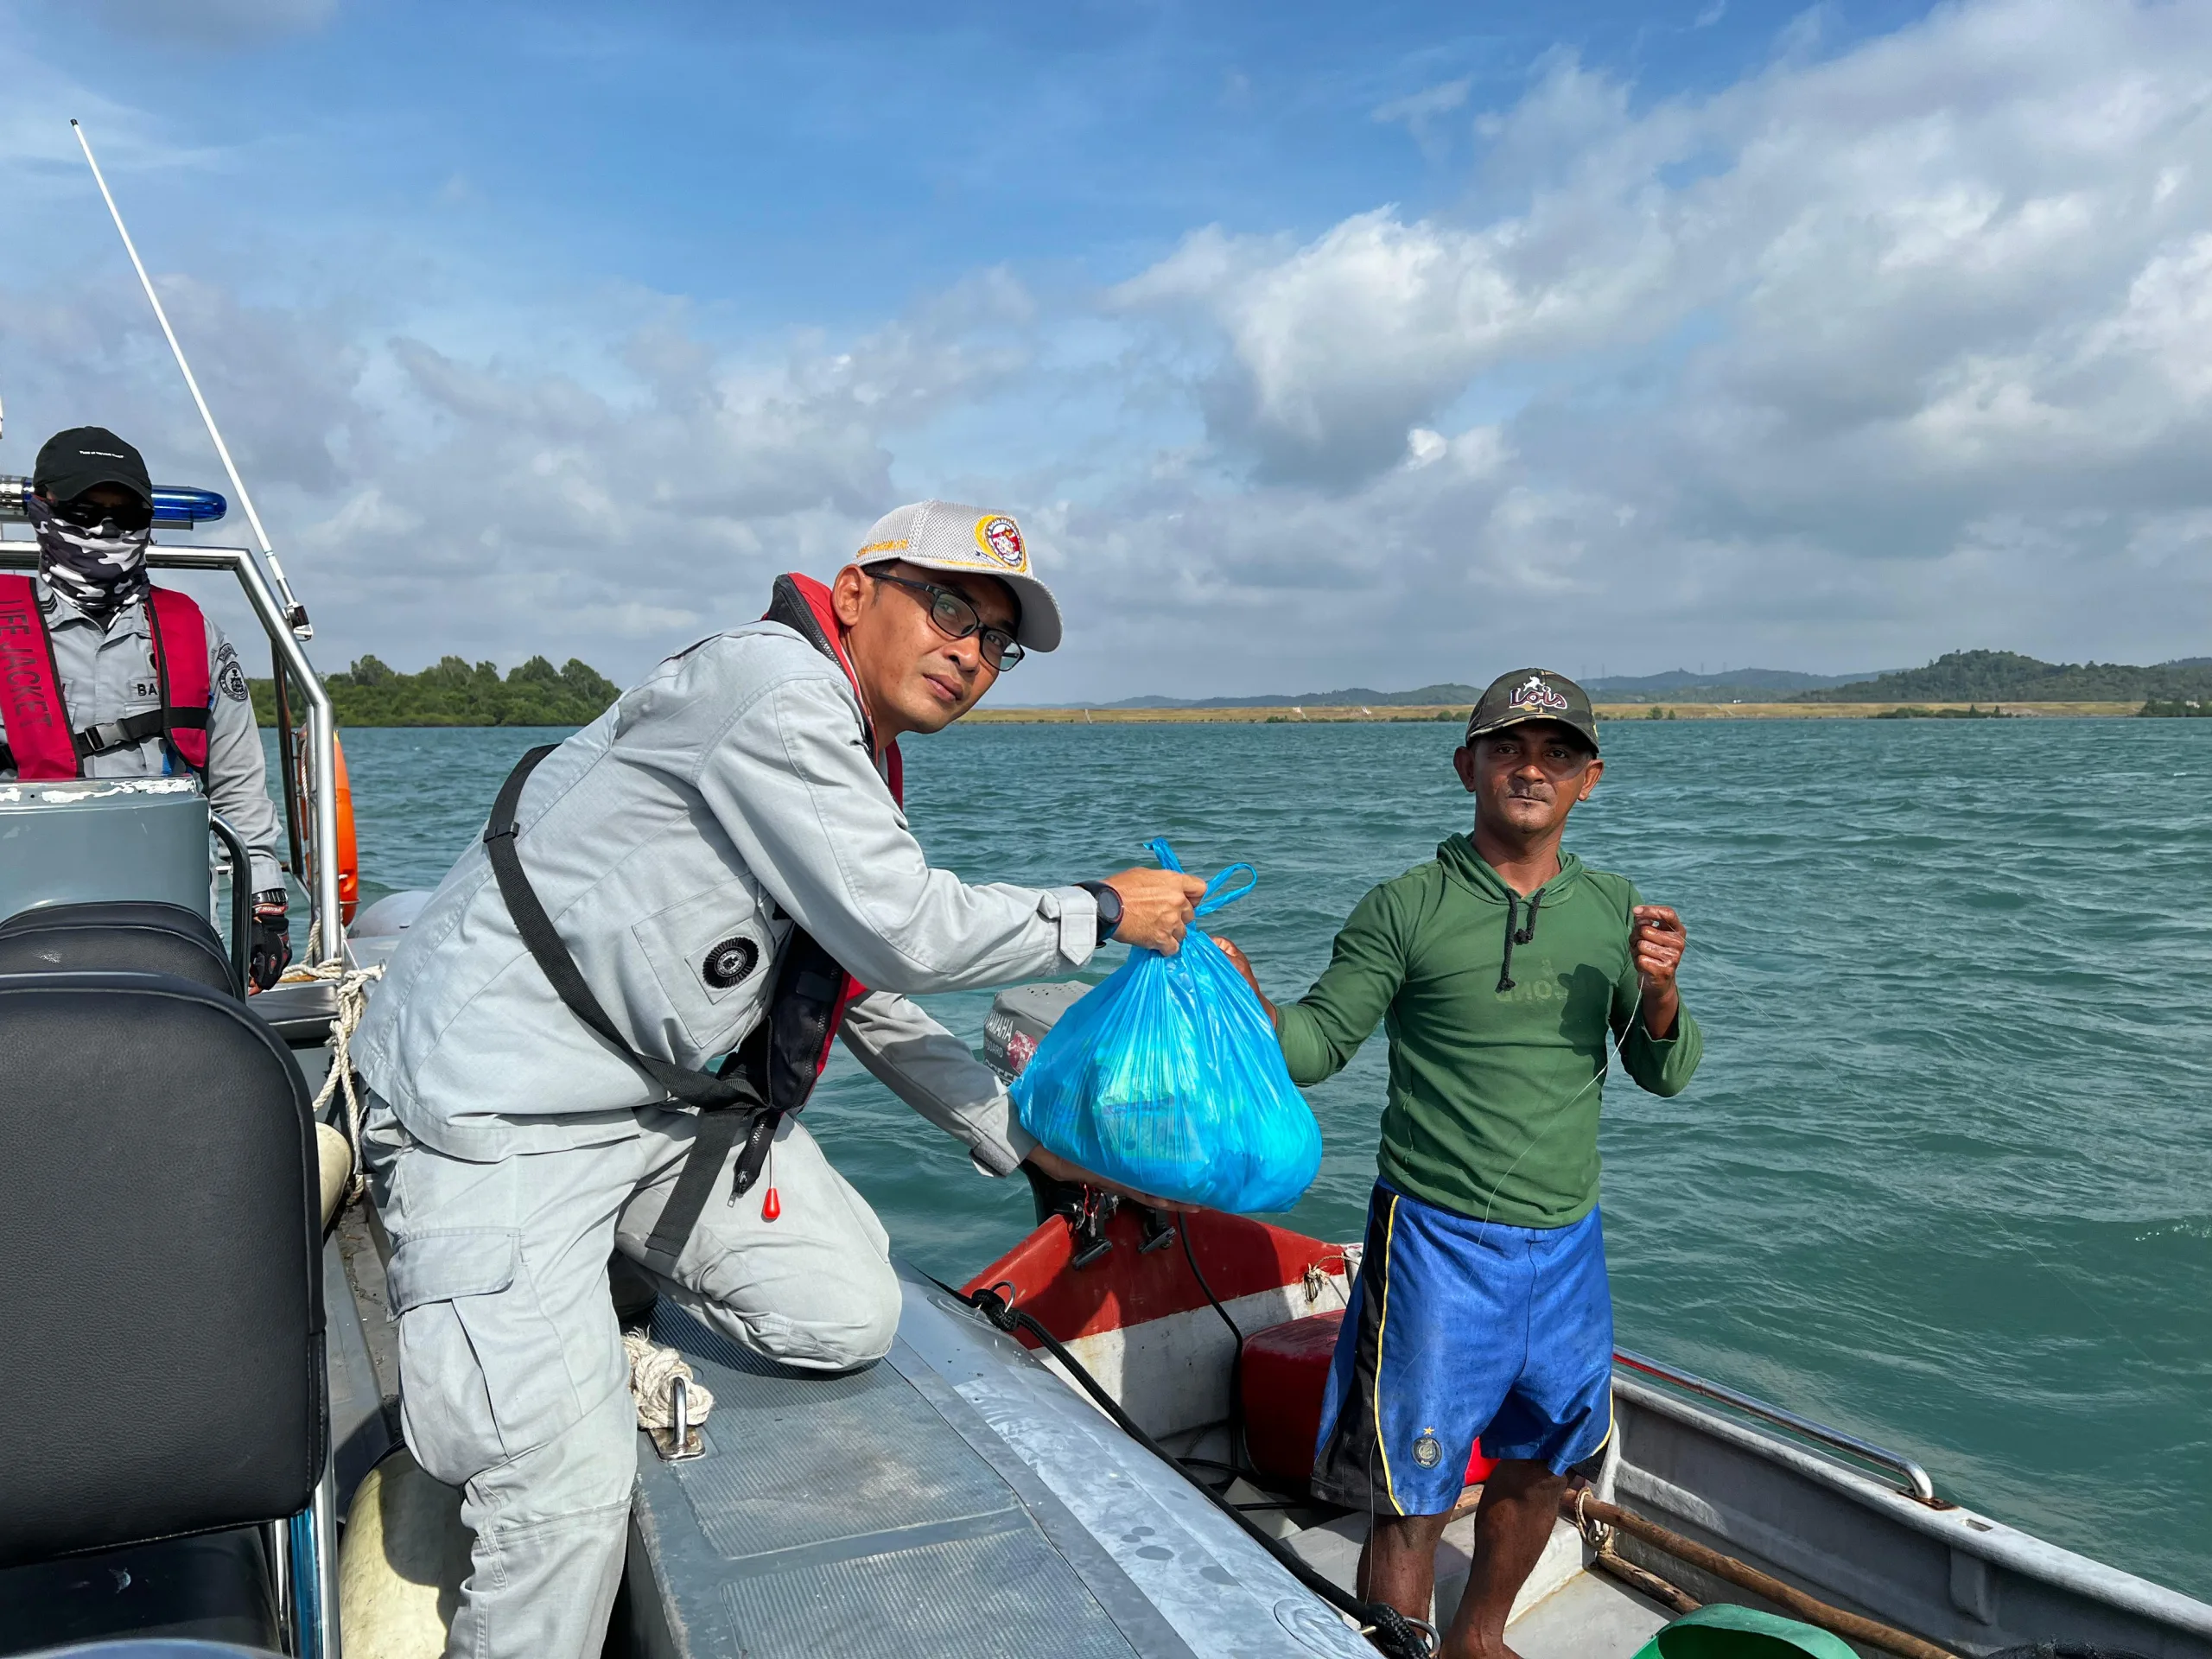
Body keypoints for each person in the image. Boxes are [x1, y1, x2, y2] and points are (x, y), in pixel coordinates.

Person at [348, 499, 1208, 1659]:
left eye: (998, 642)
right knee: (563, 1508)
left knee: (848, 1315)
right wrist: (1100, 911)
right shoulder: (775, 691)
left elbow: (867, 994)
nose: (973, 653)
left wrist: (1019, 1141)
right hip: (496, 1112)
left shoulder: (857, 750)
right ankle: (536, 1366)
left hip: (650, 1107)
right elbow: (906, 931)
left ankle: (576, 1326)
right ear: (854, 594)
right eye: (950, 608)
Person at [1218, 668, 1701, 1659]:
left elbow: (1663, 1074)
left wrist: (1658, 998)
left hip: (1568, 1245)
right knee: (1410, 1491)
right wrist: (1242, 999)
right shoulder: (1405, 906)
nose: (1532, 769)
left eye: (1557, 753)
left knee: (1546, 1459)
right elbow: (1312, 1049)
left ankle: (1476, 1638)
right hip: (1433, 1242)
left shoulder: (1615, 910)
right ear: (1466, 767)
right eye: (1508, 749)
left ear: (1589, 779)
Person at [0, 426, 290, 987]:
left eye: (127, 515)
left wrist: (266, 901)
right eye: (86, 512)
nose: (107, 530)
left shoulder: (193, 632)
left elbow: (237, 780)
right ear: (43, 510)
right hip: (21, 918)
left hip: (167, 916)